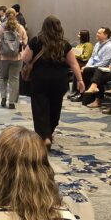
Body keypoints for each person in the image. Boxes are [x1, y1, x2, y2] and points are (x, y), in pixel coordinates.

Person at [22, 16, 85, 149]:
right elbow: (73, 63)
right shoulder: (64, 44)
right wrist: (80, 80)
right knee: (55, 106)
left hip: (40, 79)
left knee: (40, 108)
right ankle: (50, 131)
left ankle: (44, 137)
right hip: (59, 80)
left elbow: (25, 58)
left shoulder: (36, 41)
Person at [0, 8, 28, 109]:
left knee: (2, 78)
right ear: (15, 15)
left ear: (5, 15)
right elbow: (25, 42)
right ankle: (12, 102)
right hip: (16, 57)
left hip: (2, 57)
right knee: (14, 79)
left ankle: (3, 97)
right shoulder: (20, 28)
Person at [73, 27, 111, 102]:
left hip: (105, 69)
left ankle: (86, 95)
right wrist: (87, 66)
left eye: (99, 33)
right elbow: (92, 57)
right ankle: (82, 94)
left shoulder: (110, 47)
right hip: (95, 67)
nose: (96, 34)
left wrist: (89, 67)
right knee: (83, 70)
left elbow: (104, 63)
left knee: (87, 71)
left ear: (105, 35)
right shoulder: (97, 44)